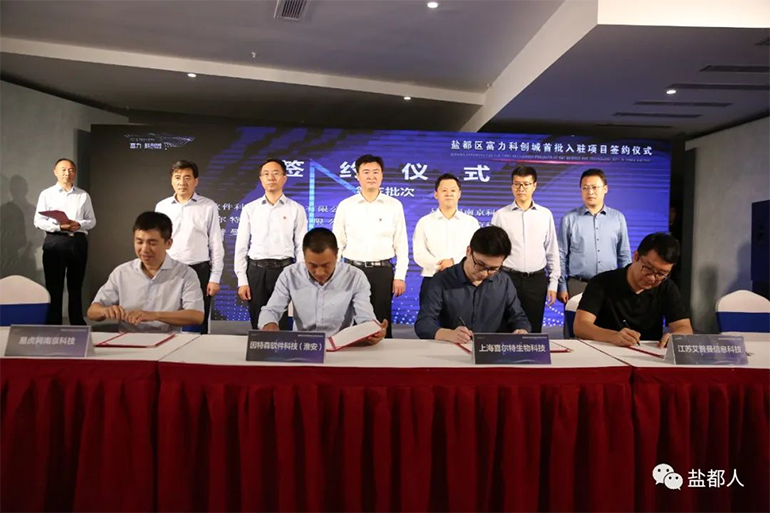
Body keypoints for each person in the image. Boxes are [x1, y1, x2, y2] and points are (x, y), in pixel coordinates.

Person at [258, 227, 387, 344]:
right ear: (304, 256)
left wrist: (372, 330)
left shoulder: (355, 277)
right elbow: (272, 310)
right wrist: (269, 324)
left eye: (326, 265)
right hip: (302, 346)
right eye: (312, 265)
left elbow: (365, 316)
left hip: (341, 346)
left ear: (336, 255)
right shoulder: (290, 275)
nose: (319, 272)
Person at [87, 212, 204, 332]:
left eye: (152, 243)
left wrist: (154, 315)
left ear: (168, 243)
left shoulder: (185, 274)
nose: (144, 249)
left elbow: (196, 316)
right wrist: (105, 311)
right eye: (139, 242)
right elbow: (92, 312)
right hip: (128, 340)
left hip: (167, 340)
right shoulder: (122, 272)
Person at [332, 154, 408, 338]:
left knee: (381, 321)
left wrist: (400, 276)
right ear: (357, 176)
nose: (371, 176)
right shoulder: (346, 205)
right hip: (352, 270)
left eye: (376, 172)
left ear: (382, 175)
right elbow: (337, 243)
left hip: (382, 271)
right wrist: (335, 273)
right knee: (351, 321)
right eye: (366, 172)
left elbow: (401, 243)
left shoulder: (394, 205)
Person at [573, 232, 693, 348]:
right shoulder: (602, 282)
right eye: (648, 268)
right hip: (605, 350)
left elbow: (685, 328)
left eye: (661, 274)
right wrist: (613, 336)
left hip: (648, 355)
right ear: (636, 257)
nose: (652, 278)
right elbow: (580, 326)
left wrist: (676, 337)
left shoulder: (667, 287)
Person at [415, 225, 531, 343]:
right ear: (469, 251)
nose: (484, 274)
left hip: (490, 349)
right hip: (452, 347)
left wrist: (522, 330)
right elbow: (423, 323)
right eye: (480, 265)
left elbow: (519, 317)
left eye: (493, 269)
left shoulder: (503, 281)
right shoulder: (442, 279)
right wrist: (449, 334)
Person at [234, 158, 308, 329]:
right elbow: (241, 247)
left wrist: (299, 277)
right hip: (256, 272)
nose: (271, 178)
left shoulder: (296, 209)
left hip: (284, 271)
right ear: (261, 179)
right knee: (258, 324)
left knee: (281, 324)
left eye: (276, 173)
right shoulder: (250, 209)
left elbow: (301, 247)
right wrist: (242, 280)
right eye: (266, 174)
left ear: (284, 178)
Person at [155, 160, 224, 334]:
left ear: (196, 181)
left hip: (198, 270)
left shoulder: (208, 206)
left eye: (187, 177)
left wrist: (215, 277)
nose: (182, 182)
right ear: (172, 180)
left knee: (197, 321)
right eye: (177, 177)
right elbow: (157, 242)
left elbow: (216, 243)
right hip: (168, 270)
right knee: (167, 319)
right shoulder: (162, 207)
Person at [491, 165, 560, 333]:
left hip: (536, 281)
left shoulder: (545, 215)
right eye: (517, 184)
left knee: (532, 329)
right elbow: (493, 251)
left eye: (526, 184)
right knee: (504, 328)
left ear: (534, 186)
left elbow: (552, 250)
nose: (521, 188)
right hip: (507, 278)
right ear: (511, 186)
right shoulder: (501, 215)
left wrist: (553, 283)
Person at [33, 158, 96, 325]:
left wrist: (79, 224)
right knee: (54, 286)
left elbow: (92, 221)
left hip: (77, 241)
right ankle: (54, 322)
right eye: (63, 169)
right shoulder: (47, 194)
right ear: (55, 172)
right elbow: (38, 221)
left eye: (71, 170)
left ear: (75, 172)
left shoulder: (83, 195)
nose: (67, 173)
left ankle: (77, 322)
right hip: (56, 241)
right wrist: (59, 226)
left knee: (76, 285)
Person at [557, 169, 632, 304]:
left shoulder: (618, 218)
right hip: (578, 285)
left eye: (594, 187)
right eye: (585, 188)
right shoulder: (569, 219)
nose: (590, 192)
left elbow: (624, 255)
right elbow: (561, 255)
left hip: (610, 285)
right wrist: (561, 286)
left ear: (605, 189)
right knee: (576, 318)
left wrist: (627, 285)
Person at [413, 173, 479, 303]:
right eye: (444, 190)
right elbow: (419, 253)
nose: (448, 194)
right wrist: (438, 265)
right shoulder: (424, 222)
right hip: (432, 279)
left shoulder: (471, 222)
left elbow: (475, 252)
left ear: (459, 194)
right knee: (429, 315)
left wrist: (453, 262)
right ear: (436, 194)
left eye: (453, 190)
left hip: (462, 280)